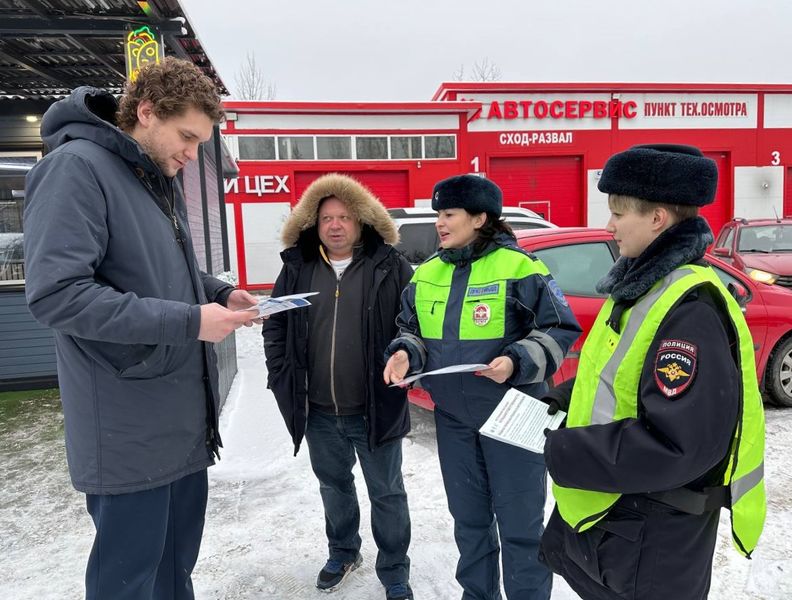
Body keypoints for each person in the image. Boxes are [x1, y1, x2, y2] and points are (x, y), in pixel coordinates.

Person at [23, 58, 259, 600]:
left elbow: (157, 269)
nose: (192, 154)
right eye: (187, 137)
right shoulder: (75, 169)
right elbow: (57, 294)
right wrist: (192, 320)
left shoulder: (152, 175)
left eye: (201, 142)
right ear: (147, 112)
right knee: (127, 584)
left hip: (178, 427)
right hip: (127, 432)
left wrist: (216, 292)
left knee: (174, 576)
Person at [539, 144, 766, 600]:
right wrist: (555, 405)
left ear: (657, 219)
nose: (609, 226)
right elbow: (611, 379)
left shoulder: (690, 309)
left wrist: (565, 449)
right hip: (623, 525)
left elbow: (677, 446)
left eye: (618, 213)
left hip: (653, 540)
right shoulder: (640, 288)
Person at [384, 174, 582, 600]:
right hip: (455, 419)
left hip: (516, 415)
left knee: (521, 526)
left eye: (449, 213)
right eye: (438, 213)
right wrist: (403, 353)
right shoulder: (426, 275)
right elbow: (411, 331)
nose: (439, 222)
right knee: (469, 522)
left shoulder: (520, 268)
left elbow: (559, 328)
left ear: (479, 217)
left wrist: (516, 360)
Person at [262, 173, 415, 600]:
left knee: (387, 493)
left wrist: (406, 361)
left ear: (361, 221)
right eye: (327, 217)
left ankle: (395, 570)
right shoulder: (298, 267)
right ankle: (344, 551)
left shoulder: (390, 267)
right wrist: (280, 375)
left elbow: (413, 325)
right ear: (314, 222)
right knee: (334, 487)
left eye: (344, 217)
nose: (335, 225)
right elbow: (275, 324)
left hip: (375, 406)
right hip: (320, 411)